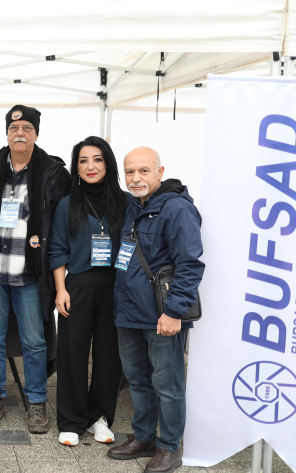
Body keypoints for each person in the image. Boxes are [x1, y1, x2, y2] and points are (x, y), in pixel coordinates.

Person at [0, 105, 71, 433]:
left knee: (34, 341)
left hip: (31, 274)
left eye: (27, 128)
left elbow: (64, 225)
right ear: (7, 134)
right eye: (14, 128)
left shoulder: (54, 173)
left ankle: (37, 402)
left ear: (36, 134)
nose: (20, 133)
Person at [107, 147, 204, 473]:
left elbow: (189, 265)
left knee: (168, 385)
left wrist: (174, 312)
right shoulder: (135, 206)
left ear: (160, 172)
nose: (135, 178)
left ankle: (169, 447)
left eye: (143, 171)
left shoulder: (177, 209)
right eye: (129, 172)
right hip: (129, 313)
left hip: (162, 316)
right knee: (138, 381)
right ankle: (144, 437)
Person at [48, 136, 128, 446]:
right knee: (73, 353)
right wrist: (60, 289)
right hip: (78, 285)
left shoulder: (126, 202)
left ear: (108, 163)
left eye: (97, 159)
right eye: (83, 160)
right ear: (76, 167)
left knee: (110, 355)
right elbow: (57, 249)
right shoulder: (67, 205)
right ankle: (71, 421)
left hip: (117, 287)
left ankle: (100, 417)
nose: (90, 166)